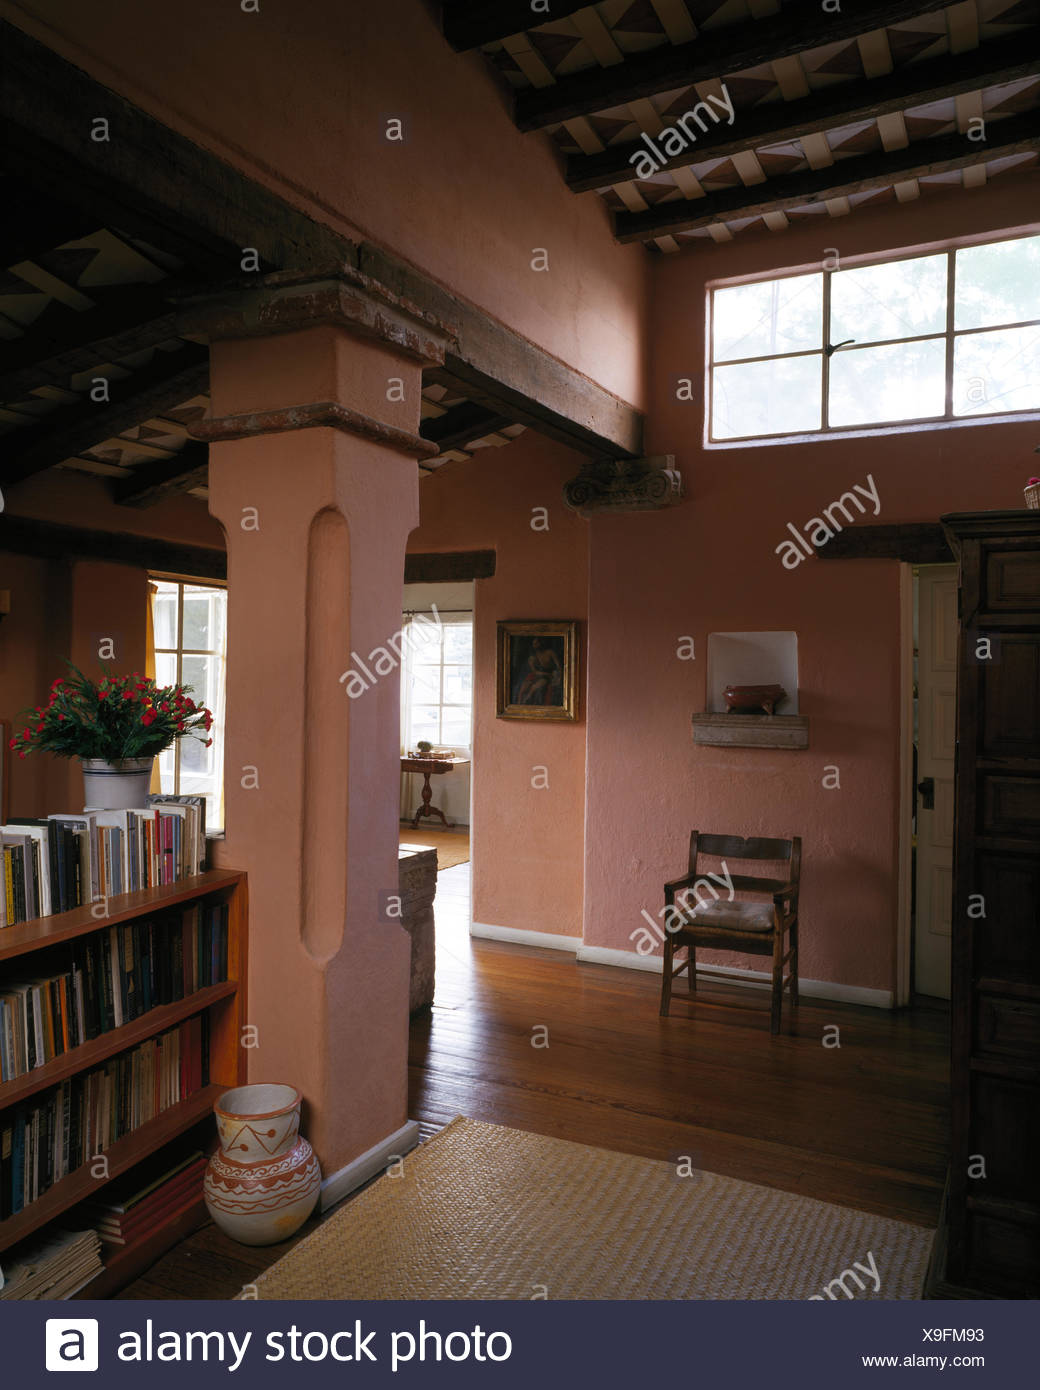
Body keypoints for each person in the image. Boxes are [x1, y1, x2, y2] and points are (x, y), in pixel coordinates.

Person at [513, 638, 563, 705]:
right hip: (537, 674)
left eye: (536, 643)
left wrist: (558, 676)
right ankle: (518, 705)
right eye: (534, 644)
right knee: (522, 689)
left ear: (541, 643)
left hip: (547, 677)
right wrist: (546, 674)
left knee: (533, 688)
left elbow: (559, 667)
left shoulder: (550, 652)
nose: (535, 645)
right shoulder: (532, 658)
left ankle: (526, 701)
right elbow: (535, 672)